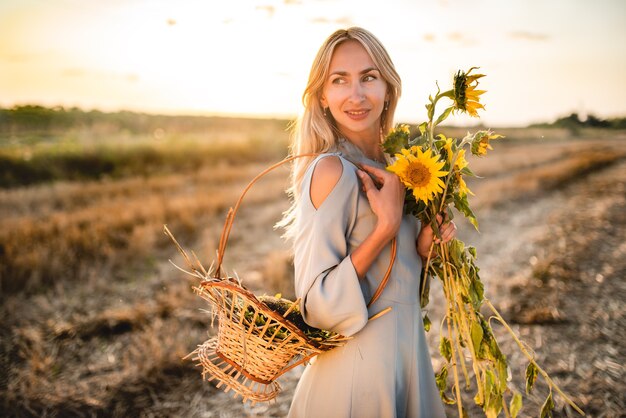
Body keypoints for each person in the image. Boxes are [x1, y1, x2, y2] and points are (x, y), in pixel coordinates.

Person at [280, 27, 456, 418]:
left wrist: (423, 251)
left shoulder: (400, 172)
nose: (356, 95)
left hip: (408, 360)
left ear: (388, 88)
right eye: (339, 80)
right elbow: (317, 306)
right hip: (356, 379)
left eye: (369, 77)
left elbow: (395, 289)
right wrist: (384, 230)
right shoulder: (331, 171)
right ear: (322, 96)